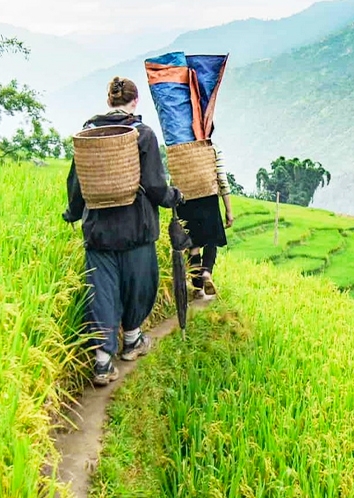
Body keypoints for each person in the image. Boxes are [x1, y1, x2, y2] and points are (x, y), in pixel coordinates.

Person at [63, 77, 184, 386]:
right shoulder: (142, 135)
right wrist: (174, 197)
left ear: (109, 101)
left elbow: (78, 182)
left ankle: (102, 362)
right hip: (136, 230)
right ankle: (132, 341)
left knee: (102, 294)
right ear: (135, 101)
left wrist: (73, 213)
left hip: (98, 232)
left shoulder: (89, 135)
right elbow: (156, 186)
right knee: (139, 287)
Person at [178, 145, 234, 299]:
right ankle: (207, 272)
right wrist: (228, 210)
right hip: (208, 198)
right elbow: (222, 179)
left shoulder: (180, 149)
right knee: (211, 240)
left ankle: (197, 288)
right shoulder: (213, 148)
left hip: (186, 199)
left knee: (194, 245)